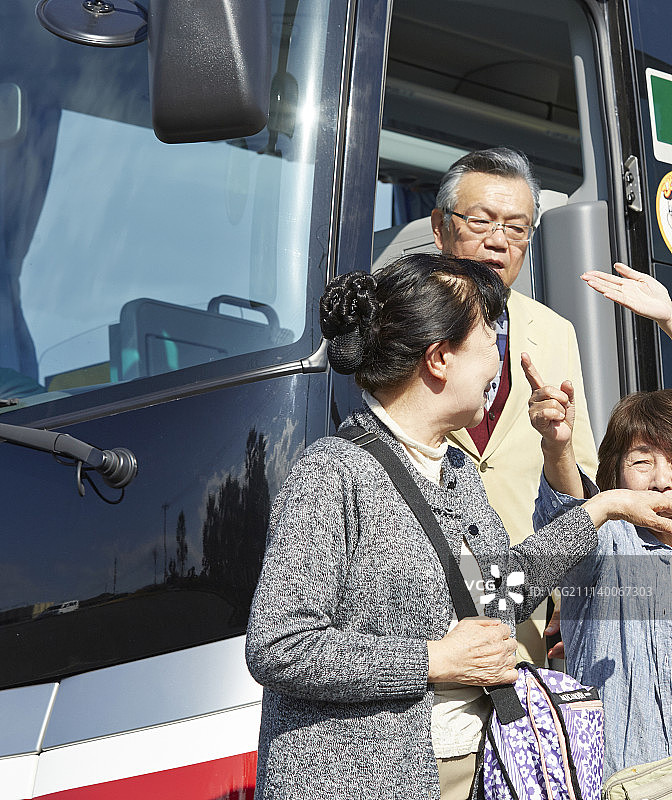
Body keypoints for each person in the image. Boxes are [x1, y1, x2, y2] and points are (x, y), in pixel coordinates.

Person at [244, 253, 672, 800]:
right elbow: (279, 646)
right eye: (489, 340)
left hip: (466, 767)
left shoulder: (455, 472)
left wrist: (599, 507)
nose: (501, 363)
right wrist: (433, 659)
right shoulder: (332, 474)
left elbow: (497, 595)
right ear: (439, 358)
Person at [431, 147, 598, 666]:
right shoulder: (401, 320)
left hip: (518, 603)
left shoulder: (554, 332)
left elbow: (582, 480)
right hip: (418, 599)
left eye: (518, 228)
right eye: (481, 221)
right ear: (440, 227)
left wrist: (557, 448)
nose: (499, 241)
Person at [529, 261, 672, 778]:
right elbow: (568, 518)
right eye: (642, 460)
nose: (661, 479)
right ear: (613, 472)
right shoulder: (610, 544)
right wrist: (558, 446)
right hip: (624, 778)